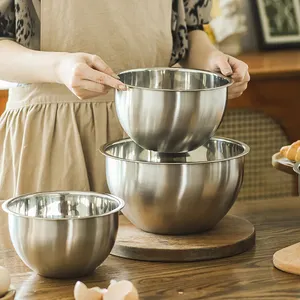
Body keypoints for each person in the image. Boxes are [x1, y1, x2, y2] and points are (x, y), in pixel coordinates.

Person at [0, 0, 250, 199]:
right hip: (54, 134)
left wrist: (212, 63)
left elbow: (189, 31)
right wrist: (58, 67)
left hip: (154, 130)